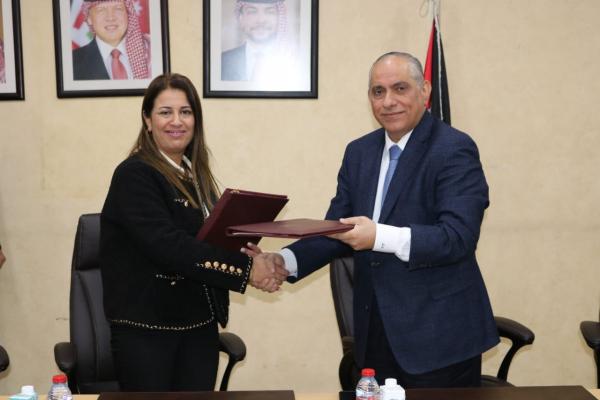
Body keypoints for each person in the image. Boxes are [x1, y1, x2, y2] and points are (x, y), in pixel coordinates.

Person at [247, 52, 499, 388]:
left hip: (439, 339)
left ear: (424, 91)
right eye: (378, 91)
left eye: (400, 88)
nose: (388, 101)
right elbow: (336, 228)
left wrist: (378, 236)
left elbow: (457, 237)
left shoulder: (453, 148)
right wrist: (284, 261)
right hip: (374, 335)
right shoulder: (359, 152)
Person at [100, 73, 287, 391]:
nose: (177, 121)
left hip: (198, 328)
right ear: (147, 120)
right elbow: (169, 246)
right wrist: (247, 270)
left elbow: (208, 240)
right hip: (149, 333)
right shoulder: (134, 175)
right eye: (165, 112)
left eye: (185, 112)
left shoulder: (195, 175)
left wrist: (247, 253)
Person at [221, 0, 298, 83]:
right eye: (252, 12)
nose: (261, 20)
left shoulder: (296, 61)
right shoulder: (222, 62)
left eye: (269, 12)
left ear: (279, 18)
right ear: (241, 19)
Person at [73, 0, 150, 80]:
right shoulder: (72, 63)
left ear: (128, 13)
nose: (111, 18)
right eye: (101, 10)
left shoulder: (150, 53)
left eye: (118, 8)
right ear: (89, 18)